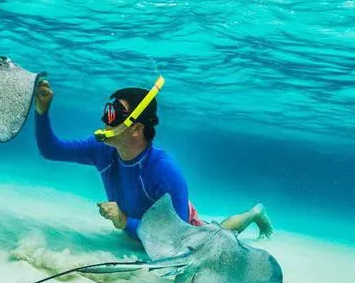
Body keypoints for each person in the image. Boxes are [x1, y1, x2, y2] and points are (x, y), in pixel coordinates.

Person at [34, 77, 273, 240]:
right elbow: (51, 149)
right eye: (106, 111)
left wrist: (125, 220)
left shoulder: (164, 169)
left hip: (181, 231)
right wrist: (42, 111)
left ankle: (254, 213)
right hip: (142, 234)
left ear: (136, 129)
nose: (105, 120)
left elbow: (177, 237)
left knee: (219, 234)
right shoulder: (101, 149)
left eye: (113, 113)